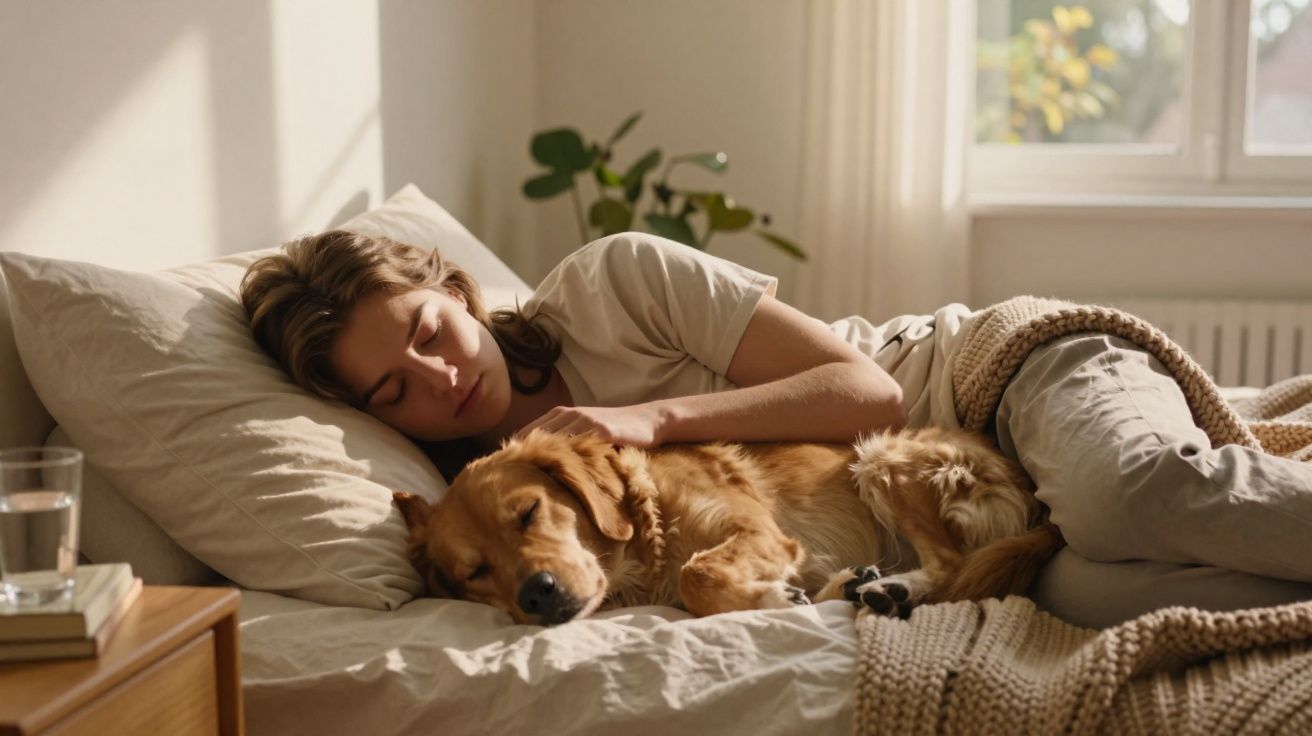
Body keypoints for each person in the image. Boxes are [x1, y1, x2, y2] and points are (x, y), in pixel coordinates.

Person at [240, 229, 1312, 628]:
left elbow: (871, 395)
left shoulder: (613, 281)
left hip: (990, 380)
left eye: (429, 331)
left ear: (459, 294)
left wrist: (648, 416)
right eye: (391, 392)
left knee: (1132, 496)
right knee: (1116, 596)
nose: (437, 376)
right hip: (952, 522)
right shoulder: (487, 499)